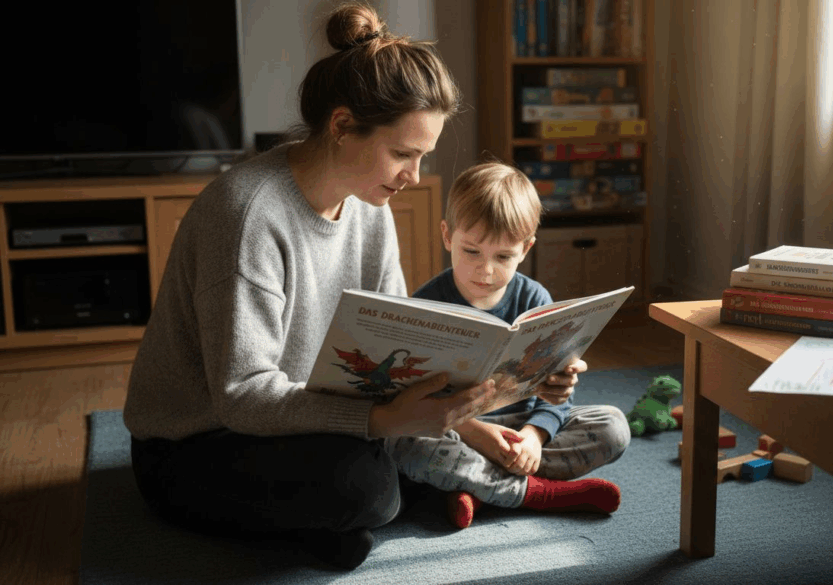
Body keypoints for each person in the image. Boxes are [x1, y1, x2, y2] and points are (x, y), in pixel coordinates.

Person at [122, 4, 583, 571]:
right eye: (403, 154)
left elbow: (403, 350)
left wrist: (506, 393)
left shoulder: (368, 205)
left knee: (384, 470)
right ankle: (374, 506)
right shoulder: (246, 217)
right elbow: (241, 395)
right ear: (342, 126)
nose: (414, 177)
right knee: (366, 488)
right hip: (197, 445)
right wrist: (388, 422)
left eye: (423, 157)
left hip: (305, 418)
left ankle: (368, 509)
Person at [386, 161, 631, 529]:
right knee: (403, 444)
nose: (485, 271)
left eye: (503, 257)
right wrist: (475, 432)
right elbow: (412, 397)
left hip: (517, 431)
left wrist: (534, 437)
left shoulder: (536, 299)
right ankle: (538, 493)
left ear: (526, 247)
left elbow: (555, 399)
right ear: (447, 235)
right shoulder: (427, 304)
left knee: (613, 426)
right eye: (471, 252)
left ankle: (474, 487)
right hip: (456, 430)